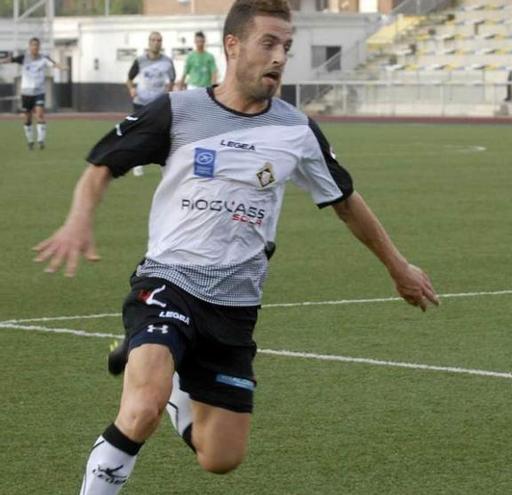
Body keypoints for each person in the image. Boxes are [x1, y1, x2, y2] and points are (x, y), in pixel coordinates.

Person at [33, 0, 439, 492]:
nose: (279, 57)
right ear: (233, 45)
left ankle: (179, 387)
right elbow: (102, 163)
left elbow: (345, 201)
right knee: (140, 411)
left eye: (286, 47)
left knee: (221, 457)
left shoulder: (297, 130)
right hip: (169, 281)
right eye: (268, 43)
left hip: (236, 305)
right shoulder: (178, 111)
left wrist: (398, 268)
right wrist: (78, 221)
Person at [0, 37, 65, 150]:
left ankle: (41, 141)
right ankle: (30, 141)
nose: (35, 47)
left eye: (37, 45)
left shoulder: (44, 58)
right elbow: (11, 60)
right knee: (27, 118)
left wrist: (62, 67)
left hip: (39, 92)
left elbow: (53, 64)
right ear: (29, 47)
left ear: (39, 47)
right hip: (26, 93)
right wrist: (2, 61)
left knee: (40, 114)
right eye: (33, 45)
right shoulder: (24, 58)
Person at [126, 31, 175, 177]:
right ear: (149, 42)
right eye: (153, 40)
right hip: (141, 102)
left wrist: (169, 92)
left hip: (159, 103)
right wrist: (131, 89)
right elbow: (129, 78)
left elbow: (172, 79)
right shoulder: (140, 60)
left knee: (162, 135)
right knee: (139, 133)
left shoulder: (167, 61)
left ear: (161, 43)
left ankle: (163, 164)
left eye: (159, 40)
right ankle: (137, 163)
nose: (156, 43)